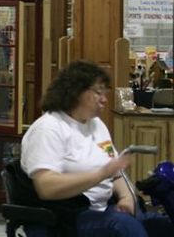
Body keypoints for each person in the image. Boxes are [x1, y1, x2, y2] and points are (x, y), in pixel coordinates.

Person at [21, 60, 174, 237]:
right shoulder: (48, 128)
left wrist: (126, 197)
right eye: (98, 92)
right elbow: (46, 187)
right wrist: (101, 174)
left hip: (105, 208)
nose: (104, 99)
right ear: (76, 91)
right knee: (124, 227)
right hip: (68, 216)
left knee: (162, 226)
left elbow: (116, 174)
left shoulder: (96, 124)